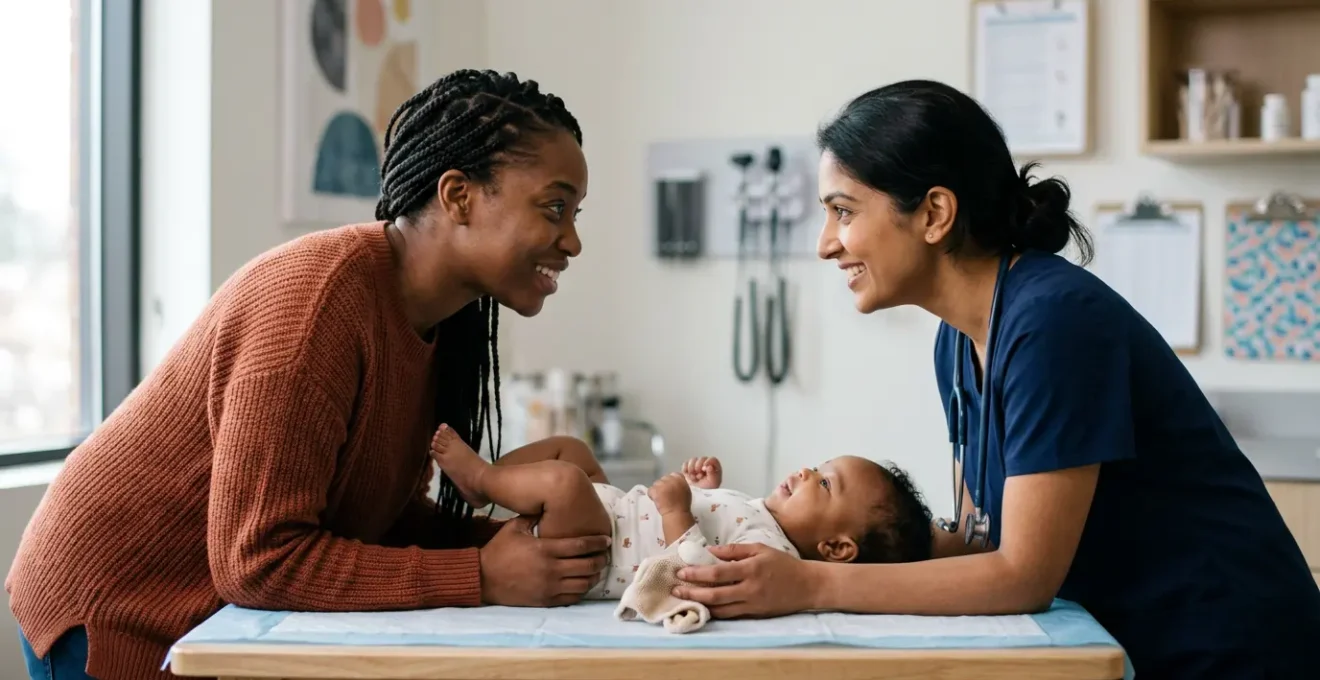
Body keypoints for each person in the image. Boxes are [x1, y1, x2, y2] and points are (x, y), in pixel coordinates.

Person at [671, 80, 1320, 677]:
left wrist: (809, 586)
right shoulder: (958, 342)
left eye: (844, 211)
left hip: (1230, 650)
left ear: (933, 214)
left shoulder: (1054, 326)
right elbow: (979, 539)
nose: (826, 243)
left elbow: (1022, 575)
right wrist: (793, 536)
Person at [5, 69, 613, 680]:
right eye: (554, 207)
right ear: (458, 196)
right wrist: (481, 574)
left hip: (205, 614)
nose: (574, 241)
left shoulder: (436, 323)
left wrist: (511, 551)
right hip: (119, 609)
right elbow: (258, 558)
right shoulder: (315, 306)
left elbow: (377, 518)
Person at [428, 425, 934, 602]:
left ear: (836, 548)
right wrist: (706, 491)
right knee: (571, 450)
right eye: (819, 466)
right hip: (617, 513)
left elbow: (694, 573)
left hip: (597, 556)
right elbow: (715, 524)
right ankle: (486, 484)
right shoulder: (766, 517)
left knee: (564, 482)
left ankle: (482, 481)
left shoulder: (773, 557)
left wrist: (675, 510)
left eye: (825, 483)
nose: (805, 471)